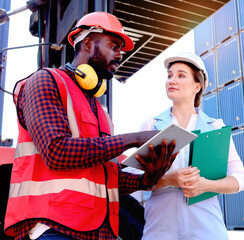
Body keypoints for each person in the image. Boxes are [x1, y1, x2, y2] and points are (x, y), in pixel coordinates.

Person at [4, 12, 177, 240]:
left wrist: (145, 179)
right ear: (87, 44)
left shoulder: (101, 113)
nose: (120, 55)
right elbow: (57, 152)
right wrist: (134, 139)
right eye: (114, 46)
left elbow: (103, 180)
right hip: (56, 229)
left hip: (100, 232)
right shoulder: (45, 81)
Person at [139, 52, 244, 240]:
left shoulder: (215, 128)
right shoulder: (151, 126)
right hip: (159, 230)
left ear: (197, 86)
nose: (172, 80)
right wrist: (168, 179)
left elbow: (240, 179)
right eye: (170, 75)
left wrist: (207, 185)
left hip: (207, 230)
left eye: (181, 75)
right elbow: (134, 178)